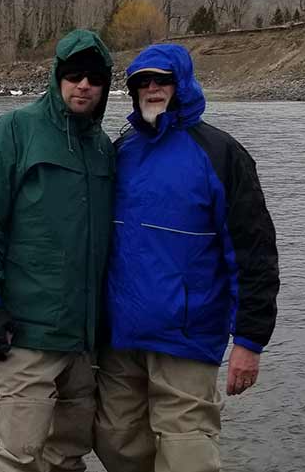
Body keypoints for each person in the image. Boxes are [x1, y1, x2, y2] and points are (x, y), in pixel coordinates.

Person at [94, 43, 279, 472]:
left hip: (188, 336)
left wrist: (249, 341)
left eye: (162, 80)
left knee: (186, 453)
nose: (153, 88)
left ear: (183, 84)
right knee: (114, 439)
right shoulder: (120, 151)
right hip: (121, 338)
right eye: (143, 82)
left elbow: (254, 253)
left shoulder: (221, 154)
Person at [0, 29, 115, 472]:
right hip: (24, 336)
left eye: (94, 78)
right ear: (56, 77)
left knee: (67, 457)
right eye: (73, 74)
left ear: (105, 86)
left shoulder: (103, 148)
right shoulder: (14, 131)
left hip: (83, 343)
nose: (83, 85)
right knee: (18, 458)